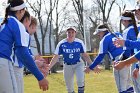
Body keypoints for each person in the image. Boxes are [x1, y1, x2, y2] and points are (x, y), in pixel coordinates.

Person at [0, 0, 48, 93]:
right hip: (4, 62)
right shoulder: (17, 25)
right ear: (21, 11)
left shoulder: (3, 21)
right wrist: (40, 77)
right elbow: (21, 53)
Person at [84, 24, 134, 93]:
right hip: (128, 59)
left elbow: (100, 56)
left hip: (119, 61)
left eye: (98, 33)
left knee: (121, 88)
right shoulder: (117, 33)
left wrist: (90, 67)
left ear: (102, 31)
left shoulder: (104, 39)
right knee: (128, 85)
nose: (98, 35)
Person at [46, 27, 93, 93]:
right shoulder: (61, 43)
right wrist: (49, 67)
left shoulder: (79, 42)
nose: (70, 34)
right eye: (69, 32)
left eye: (72, 32)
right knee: (69, 88)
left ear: (75, 33)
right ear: (66, 33)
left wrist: (92, 64)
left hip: (78, 64)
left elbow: (85, 55)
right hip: (67, 65)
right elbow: (56, 56)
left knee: (80, 81)